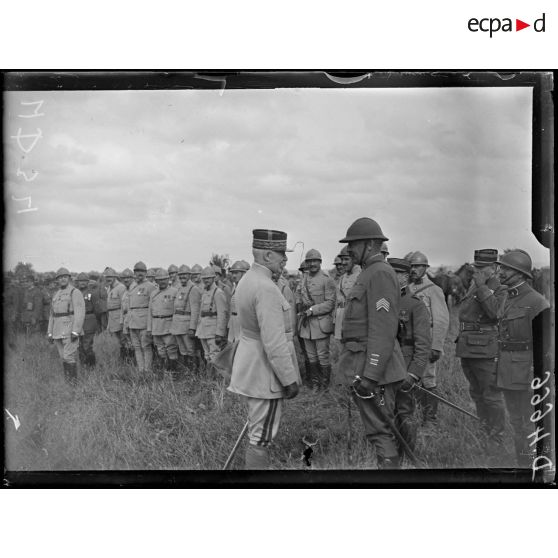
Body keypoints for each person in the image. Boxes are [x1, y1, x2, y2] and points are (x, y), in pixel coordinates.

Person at [338, 218, 407, 469]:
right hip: (362, 363)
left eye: (353, 244)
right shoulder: (368, 272)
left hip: (376, 370)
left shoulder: (378, 273)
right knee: (376, 428)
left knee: (380, 430)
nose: (349, 250)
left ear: (369, 244)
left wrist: (371, 375)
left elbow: (383, 329)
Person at [229, 229, 301, 469]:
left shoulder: (248, 279)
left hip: (251, 365)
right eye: (281, 253)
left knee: (256, 429)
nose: (285, 259)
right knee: (260, 438)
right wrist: (289, 379)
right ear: (268, 255)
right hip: (265, 372)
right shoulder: (267, 287)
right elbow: (274, 342)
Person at [495, 249, 550, 467]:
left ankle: (535, 468)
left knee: (529, 423)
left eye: (506, 269)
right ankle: (523, 465)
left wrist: (536, 375)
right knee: (517, 422)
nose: (501, 272)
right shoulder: (507, 298)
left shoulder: (537, 302)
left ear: (519, 274)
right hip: (508, 371)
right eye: (502, 268)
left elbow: (546, 346)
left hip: (527, 372)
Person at [455, 249, 507, 449]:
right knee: (476, 392)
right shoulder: (475, 284)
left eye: (481, 268)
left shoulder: (500, 288)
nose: (476, 271)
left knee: (491, 394)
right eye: (475, 267)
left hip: (485, 349)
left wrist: (482, 287)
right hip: (468, 346)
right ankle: (485, 428)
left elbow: (495, 313)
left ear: (494, 268)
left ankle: (497, 437)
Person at [388, 258, 431, 459]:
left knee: (404, 412)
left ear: (405, 277)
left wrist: (413, 374)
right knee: (386, 412)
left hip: (405, 368)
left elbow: (423, 345)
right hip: (383, 368)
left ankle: (408, 456)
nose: (390, 278)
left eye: (395, 274)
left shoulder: (416, 306)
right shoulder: (382, 302)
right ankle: (390, 454)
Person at [405, 250, 449, 425]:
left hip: (427, 341)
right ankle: (412, 415)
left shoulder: (434, 290)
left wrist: (436, 346)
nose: (414, 270)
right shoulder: (405, 289)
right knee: (411, 377)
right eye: (411, 266)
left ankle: (430, 419)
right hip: (409, 341)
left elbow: (441, 320)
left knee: (428, 380)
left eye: (418, 266)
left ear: (425, 268)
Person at [295, 248, 336, 390]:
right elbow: (299, 298)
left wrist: (312, 310)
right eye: (309, 261)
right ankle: (314, 383)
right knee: (311, 357)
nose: (312, 263)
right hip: (306, 325)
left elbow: (330, 303)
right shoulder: (304, 279)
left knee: (322, 356)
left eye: (315, 261)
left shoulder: (327, 279)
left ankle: (324, 386)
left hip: (321, 324)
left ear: (320, 262)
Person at [47, 268, 85, 384]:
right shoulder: (56, 294)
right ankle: (68, 382)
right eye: (60, 277)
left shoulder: (75, 292)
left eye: (65, 277)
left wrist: (76, 331)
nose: (62, 279)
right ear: (57, 280)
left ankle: (73, 385)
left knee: (69, 356)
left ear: (69, 278)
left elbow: (80, 312)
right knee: (63, 357)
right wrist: (49, 332)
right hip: (57, 330)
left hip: (70, 329)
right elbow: (52, 315)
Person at [147, 268, 179, 378]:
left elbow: (177, 311)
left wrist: (175, 326)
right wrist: (149, 328)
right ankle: (164, 373)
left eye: (164, 279)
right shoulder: (153, 294)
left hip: (169, 325)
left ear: (168, 279)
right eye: (159, 280)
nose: (162, 282)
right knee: (160, 350)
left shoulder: (175, 292)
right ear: (156, 281)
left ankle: (173, 374)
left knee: (171, 349)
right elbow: (150, 312)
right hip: (156, 325)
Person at [195, 266, 228, 371]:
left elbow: (222, 314)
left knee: (215, 355)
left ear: (214, 278)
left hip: (213, 330)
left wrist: (220, 333)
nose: (206, 280)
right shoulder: (204, 292)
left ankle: (217, 378)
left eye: (208, 278)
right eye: (204, 278)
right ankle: (209, 378)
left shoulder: (218, 293)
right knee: (207, 354)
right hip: (203, 329)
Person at [128, 261, 157, 377]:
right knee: (136, 348)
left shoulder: (151, 287)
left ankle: (147, 371)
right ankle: (141, 371)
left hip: (144, 322)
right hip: (132, 321)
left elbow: (153, 307)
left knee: (146, 347)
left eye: (141, 271)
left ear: (145, 273)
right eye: (136, 271)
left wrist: (150, 326)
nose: (139, 273)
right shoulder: (132, 286)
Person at [170, 264, 201, 372]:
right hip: (177, 324)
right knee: (183, 350)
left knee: (190, 350)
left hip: (187, 324)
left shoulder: (193, 289)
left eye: (185, 274)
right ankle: (186, 372)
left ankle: (194, 373)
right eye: (181, 274)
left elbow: (195, 310)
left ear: (189, 275)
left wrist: (192, 328)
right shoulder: (179, 288)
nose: (182, 276)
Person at [76, 272, 102, 367]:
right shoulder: (75, 293)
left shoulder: (92, 293)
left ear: (88, 282)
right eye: (80, 281)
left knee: (87, 345)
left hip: (89, 320)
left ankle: (91, 367)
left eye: (84, 281)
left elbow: (97, 309)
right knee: (79, 346)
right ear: (77, 282)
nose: (82, 283)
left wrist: (97, 323)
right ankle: (83, 366)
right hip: (78, 321)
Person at [104, 267, 127, 361]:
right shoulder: (109, 288)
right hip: (112, 318)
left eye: (110, 276)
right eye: (106, 277)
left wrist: (123, 320)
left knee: (123, 340)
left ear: (115, 277)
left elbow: (124, 305)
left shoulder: (121, 287)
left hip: (119, 318)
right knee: (116, 341)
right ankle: (120, 360)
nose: (108, 279)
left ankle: (126, 360)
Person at [227, 260, 250, 343]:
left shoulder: (246, 287)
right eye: (233, 273)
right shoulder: (234, 287)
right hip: (234, 320)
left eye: (236, 273)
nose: (233, 275)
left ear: (243, 274)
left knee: (240, 343)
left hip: (242, 321)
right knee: (231, 343)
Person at [119, 268, 136, 363]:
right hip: (126, 321)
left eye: (128, 278)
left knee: (135, 344)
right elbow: (122, 309)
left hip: (134, 321)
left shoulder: (135, 289)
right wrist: (122, 322)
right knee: (128, 343)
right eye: (124, 278)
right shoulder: (125, 291)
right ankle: (129, 364)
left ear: (132, 278)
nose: (126, 280)